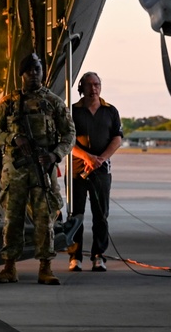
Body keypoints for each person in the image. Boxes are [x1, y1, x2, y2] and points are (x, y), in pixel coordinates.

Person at [0, 53, 74, 286]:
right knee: (12, 218)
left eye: (37, 69)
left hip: (43, 170)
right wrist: (13, 138)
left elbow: (69, 134)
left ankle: (45, 267)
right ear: (21, 74)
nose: (33, 74)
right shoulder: (8, 102)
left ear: (43, 72)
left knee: (44, 220)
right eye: (28, 70)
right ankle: (9, 267)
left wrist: (55, 154)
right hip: (15, 170)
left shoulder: (53, 102)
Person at [68, 71, 123, 273]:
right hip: (77, 171)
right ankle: (75, 256)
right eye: (89, 85)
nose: (94, 89)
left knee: (101, 215)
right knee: (77, 214)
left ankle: (98, 255)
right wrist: (87, 157)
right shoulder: (71, 111)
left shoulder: (110, 111)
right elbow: (67, 141)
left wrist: (101, 159)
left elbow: (117, 138)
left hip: (101, 171)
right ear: (81, 88)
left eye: (97, 84)